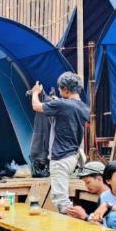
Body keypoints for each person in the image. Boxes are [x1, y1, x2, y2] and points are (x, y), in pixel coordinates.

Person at [31, 71, 89, 216]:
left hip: (60, 157)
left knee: (60, 200)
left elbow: (36, 106)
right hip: (72, 157)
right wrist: (57, 101)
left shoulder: (62, 105)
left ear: (65, 89)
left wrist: (35, 92)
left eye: (61, 89)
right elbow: (66, 112)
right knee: (62, 197)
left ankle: (76, 226)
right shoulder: (83, 107)